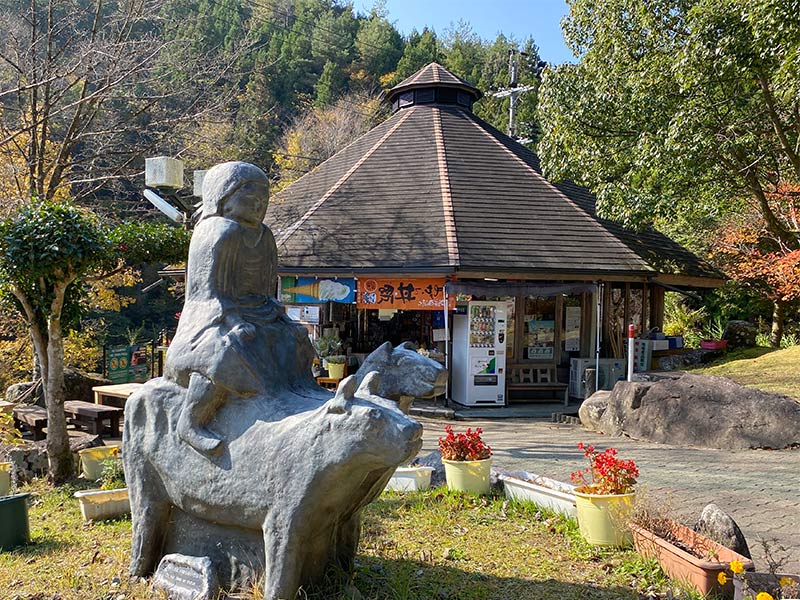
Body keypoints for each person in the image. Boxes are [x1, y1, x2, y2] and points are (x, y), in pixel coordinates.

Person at [163, 161, 281, 454]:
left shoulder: (265, 236)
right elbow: (208, 292)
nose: (258, 206)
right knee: (223, 353)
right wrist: (232, 319)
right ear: (224, 198)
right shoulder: (217, 231)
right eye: (250, 198)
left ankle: (282, 403)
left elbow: (265, 289)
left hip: (255, 311)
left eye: (263, 200)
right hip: (212, 318)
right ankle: (191, 421)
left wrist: (274, 311)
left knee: (294, 339)